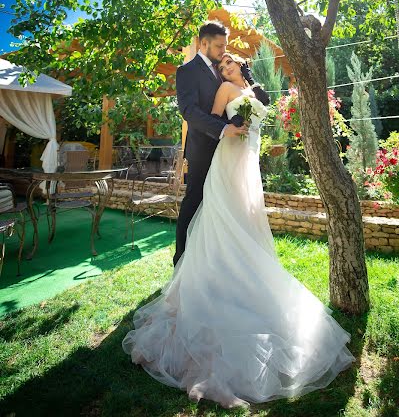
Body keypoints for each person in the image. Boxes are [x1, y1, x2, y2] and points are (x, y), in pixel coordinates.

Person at [122, 52, 354, 408]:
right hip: (227, 161)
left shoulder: (256, 91)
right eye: (222, 66)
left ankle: (239, 276)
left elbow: (260, 124)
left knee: (245, 224)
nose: (225, 68)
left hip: (248, 166)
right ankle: (216, 281)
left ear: (241, 65)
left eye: (230, 63)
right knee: (222, 222)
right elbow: (216, 124)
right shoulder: (225, 89)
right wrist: (233, 129)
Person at [172, 21, 249, 266]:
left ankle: (214, 259)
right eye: (218, 46)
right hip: (202, 148)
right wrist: (223, 128)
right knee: (194, 200)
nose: (222, 50)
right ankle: (182, 260)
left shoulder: (222, 69)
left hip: (228, 151)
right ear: (203, 43)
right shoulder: (187, 71)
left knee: (222, 204)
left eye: (224, 45)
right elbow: (189, 111)